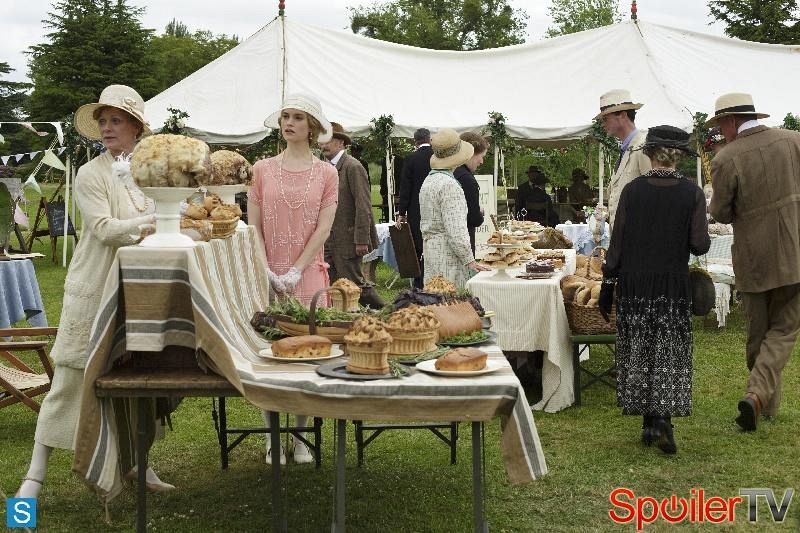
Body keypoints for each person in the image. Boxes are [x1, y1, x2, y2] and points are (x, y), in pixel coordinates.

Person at [16, 85, 172, 498]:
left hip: (140, 291)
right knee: (71, 377)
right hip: (95, 286)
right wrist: (156, 221)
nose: (106, 127)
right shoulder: (90, 174)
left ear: (136, 127)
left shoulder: (152, 172)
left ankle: (138, 462)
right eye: (103, 121)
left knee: (140, 377)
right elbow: (103, 230)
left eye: (116, 120)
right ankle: (33, 477)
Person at [599, 125, 710, 455]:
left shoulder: (632, 191)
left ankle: (649, 422)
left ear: (649, 154)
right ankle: (662, 419)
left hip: (635, 284)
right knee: (667, 350)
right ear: (679, 157)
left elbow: (617, 244)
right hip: (672, 284)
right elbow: (700, 245)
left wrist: (607, 283)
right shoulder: (692, 193)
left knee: (640, 348)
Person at [250, 93, 338, 464]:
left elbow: (324, 228)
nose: (289, 122)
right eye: (286, 116)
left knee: (308, 353)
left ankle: (301, 437)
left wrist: (297, 269)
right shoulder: (260, 169)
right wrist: (266, 269)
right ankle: (272, 438)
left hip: (309, 274)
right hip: (267, 271)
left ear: (312, 126)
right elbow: (252, 226)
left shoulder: (327, 173)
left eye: (298, 117)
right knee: (269, 355)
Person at [707, 93, 800, 431]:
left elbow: (719, 212)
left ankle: (759, 399)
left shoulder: (725, 158)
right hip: (794, 253)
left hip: (753, 258)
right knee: (784, 329)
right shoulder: (794, 141)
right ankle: (760, 399)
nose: (721, 132)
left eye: (721, 125)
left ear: (731, 121)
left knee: (758, 335)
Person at [321, 122, 384, 308]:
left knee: (355, 284)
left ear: (341, 142)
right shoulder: (324, 168)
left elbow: (363, 205)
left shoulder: (352, 166)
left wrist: (361, 239)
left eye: (328, 140)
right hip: (328, 239)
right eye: (321, 141)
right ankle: (342, 316)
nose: (323, 145)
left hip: (348, 239)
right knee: (332, 284)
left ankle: (386, 311)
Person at [419, 129, 489, 287]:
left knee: (434, 294)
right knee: (450, 297)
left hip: (431, 252)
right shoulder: (450, 186)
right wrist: (469, 260)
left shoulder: (429, 179)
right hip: (447, 257)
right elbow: (456, 230)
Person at [596, 89, 651, 225]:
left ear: (622, 115)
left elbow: (655, 196)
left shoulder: (644, 147)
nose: (602, 124)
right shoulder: (625, 149)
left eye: (605, 119)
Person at [397, 128, 433, 287]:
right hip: (434, 206)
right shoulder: (437, 156)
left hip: (415, 208)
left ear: (415, 141)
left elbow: (405, 187)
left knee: (418, 245)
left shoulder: (410, 159)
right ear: (430, 139)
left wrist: (402, 212)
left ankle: (419, 281)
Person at [453, 132, 487, 254]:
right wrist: (479, 212)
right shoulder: (467, 179)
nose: (481, 161)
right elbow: (473, 218)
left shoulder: (451, 172)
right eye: (481, 156)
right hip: (463, 243)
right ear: (471, 154)